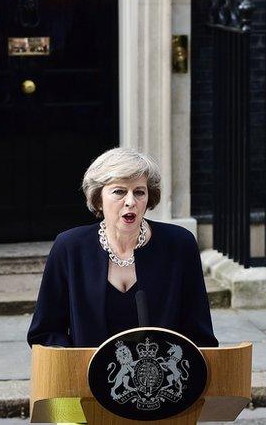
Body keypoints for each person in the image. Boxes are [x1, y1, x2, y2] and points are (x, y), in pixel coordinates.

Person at [27, 147, 218, 348]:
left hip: (163, 377)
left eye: (139, 192)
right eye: (119, 191)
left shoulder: (180, 244)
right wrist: (76, 366)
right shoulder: (69, 247)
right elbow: (45, 333)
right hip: (87, 376)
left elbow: (200, 334)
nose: (130, 201)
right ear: (98, 199)